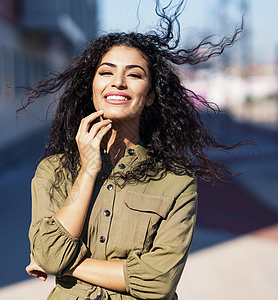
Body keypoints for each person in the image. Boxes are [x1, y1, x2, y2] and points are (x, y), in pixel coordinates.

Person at [22, 1, 244, 299]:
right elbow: (49, 255)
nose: (118, 83)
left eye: (135, 75)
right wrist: (88, 170)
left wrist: (67, 265)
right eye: (106, 72)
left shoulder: (176, 182)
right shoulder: (54, 171)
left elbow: (157, 282)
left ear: (150, 95)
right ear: (92, 87)